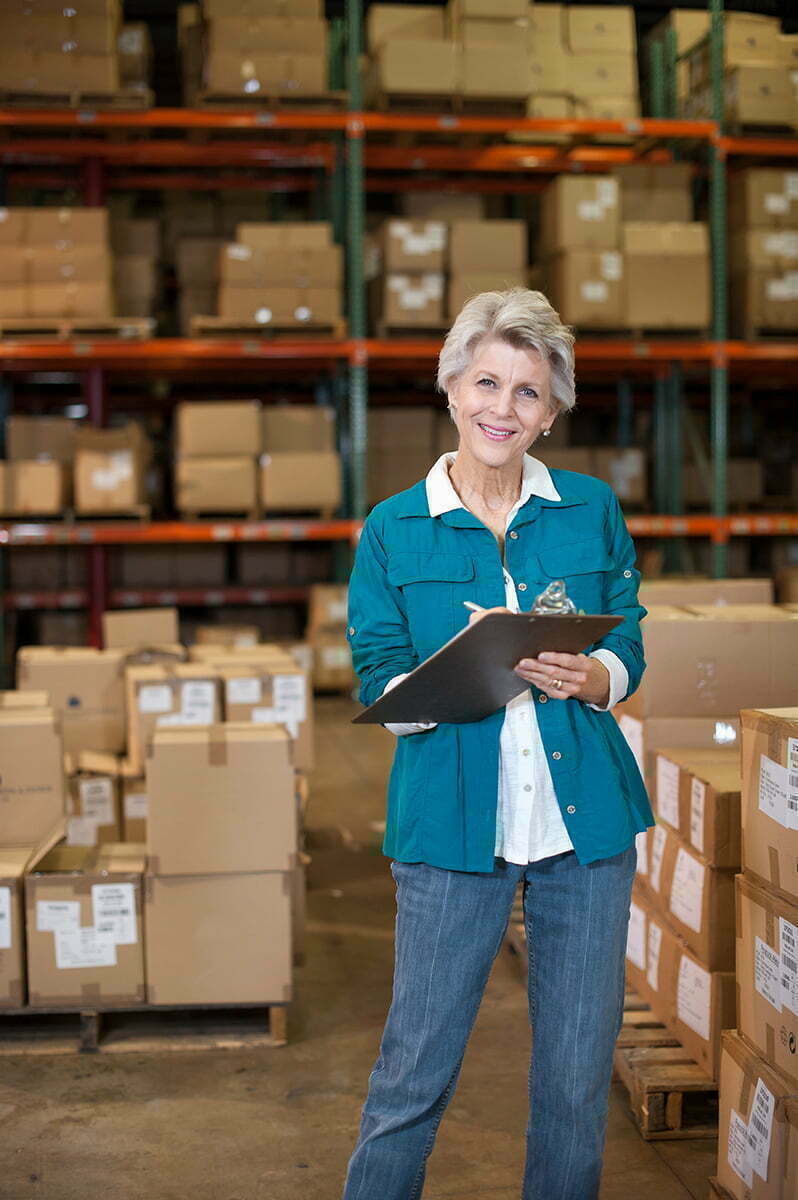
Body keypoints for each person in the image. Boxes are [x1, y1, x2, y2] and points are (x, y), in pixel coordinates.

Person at [342, 288, 654, 1200]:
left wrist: (599, 678)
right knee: (414, 1074)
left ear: (551, 411)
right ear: (450, 388)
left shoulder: (588, 509)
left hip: (586, 831)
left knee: (572, 1080)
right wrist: (442, 681)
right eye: (486, 382)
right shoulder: (394, 527)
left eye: (527, 392)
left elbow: (626, 631)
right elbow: (377, 669)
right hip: (449, 831)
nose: (501, 409)